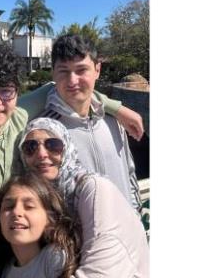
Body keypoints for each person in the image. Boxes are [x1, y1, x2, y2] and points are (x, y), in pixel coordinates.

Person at [0, 41, 143, 277]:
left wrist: (116, 108)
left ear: (16, 94)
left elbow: (66, 83)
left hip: (9, 263)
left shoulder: (18, 118)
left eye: (6, 91)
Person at [19, 117, 149, 278]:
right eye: (30, 147)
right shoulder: (43, 200)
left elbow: (102, 271)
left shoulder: (93, 189)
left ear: (67, 149)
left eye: (53, 145)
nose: (41, 154)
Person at [32, 34, 143, 211]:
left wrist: (136, 218)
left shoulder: (114, 120)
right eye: (63, 71)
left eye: (81, 70)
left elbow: (129, 174)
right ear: (53, 72)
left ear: (97, 70)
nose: (72, 80)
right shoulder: (42, 131)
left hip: (128, 233)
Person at [0, 173, 80, 278]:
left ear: (49, 220)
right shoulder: (3, 271)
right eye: (9, 207)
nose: (16, 212)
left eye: (29, 206)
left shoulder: (53, 257)